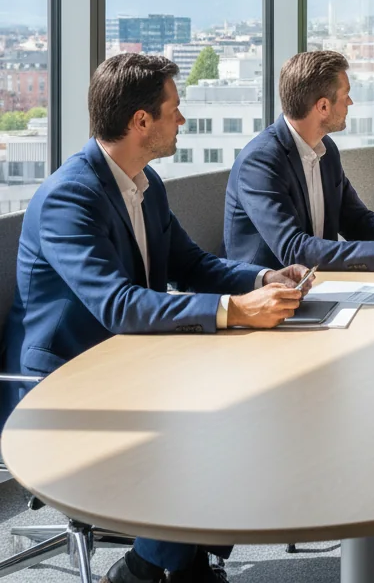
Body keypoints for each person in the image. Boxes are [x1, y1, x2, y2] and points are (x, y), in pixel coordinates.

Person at [0, 54, 312, 583]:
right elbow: (118, 304)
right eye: (175, 109)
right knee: (203, 429)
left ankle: (181, 560)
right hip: (62, 387)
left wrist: (262, 281)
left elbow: (191, 264)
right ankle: (144, 569)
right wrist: (235, 311)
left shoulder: (145, 184)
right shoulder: (69, 197)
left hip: (131, 365)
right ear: (140, 121)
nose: (183, 121)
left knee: (246, 409)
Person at [224, 50, 374, 272]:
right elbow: (293, 249)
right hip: (267, 295)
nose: (350, 101)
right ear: (323, 107)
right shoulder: (260, 162)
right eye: (345, 94)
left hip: (320, 283)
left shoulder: (326, 149)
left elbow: (355, 220)